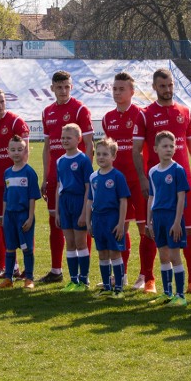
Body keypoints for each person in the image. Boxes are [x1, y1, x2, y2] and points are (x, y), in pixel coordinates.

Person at [137, 67, 191, 295]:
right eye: (162, 86)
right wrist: (142, 178)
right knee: (151, 230)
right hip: (157, 185)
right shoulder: (145, 113)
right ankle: (149, 279)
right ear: (154, 87)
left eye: (170, 85)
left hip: (183, 181)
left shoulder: (184, 111)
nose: (167, 90)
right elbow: (136, 150)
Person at [103, 72, 156, 293]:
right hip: (116, 183)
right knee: (120, 227)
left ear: (132, 92)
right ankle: (120, 274)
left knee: (145, 228)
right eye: (114, 89)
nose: (117, 92)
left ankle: (146, 276)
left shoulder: (142, 115)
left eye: (121, 89)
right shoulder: (108, 118)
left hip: (139, 181)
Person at [40, 70, 94, 284]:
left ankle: (83, 275)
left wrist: (86, 174)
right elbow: (46, 148)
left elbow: (89, 144)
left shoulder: (80, 109)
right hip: (57, 174)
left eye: (66, 87)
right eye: (58, 87)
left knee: (82, 222)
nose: (62, 91)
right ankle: (56, 270)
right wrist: (45, 177)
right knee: (56, 221)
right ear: (52, 88)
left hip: (77, 176)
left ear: (71, 87)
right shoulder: (47, 112)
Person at [0, 87, 31, 278]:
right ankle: (12, 266)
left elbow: (25, 152)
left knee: (23, 222)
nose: (0, 105)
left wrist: (21, 177)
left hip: (17, 181)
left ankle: (29, 267)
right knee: (3, 224)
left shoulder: (16, 121)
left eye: (2, 101)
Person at [146, 131, 190, 307]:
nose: (169, 149)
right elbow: (151, 197)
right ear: (156, 149)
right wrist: (149, 220)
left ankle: (180, 296)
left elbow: (181, 198)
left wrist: (177, 222)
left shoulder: (178, 170)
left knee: (174, 255)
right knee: (163, 255)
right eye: (165, 146)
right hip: (158, 217)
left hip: (172, 216)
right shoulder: (153, 172)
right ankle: (167, 293)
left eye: (172, 146)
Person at [0, 136, 42, 290]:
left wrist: (30, 217)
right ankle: (8, 278)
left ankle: (29, 278)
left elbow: (32, 197)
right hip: (9, 216)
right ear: (8, 152)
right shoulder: (7, 172)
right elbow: (5, 197)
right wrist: (3, 216)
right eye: (13, 150)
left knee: (27, 248)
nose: (16, 153)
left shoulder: (29, 172)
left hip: (23, 216)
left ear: (25, 151)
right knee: (9, 247)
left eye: (19, 150)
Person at [86, 138, 131, 299]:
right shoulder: (93, 177)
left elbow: (123, 200)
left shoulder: (117, 176)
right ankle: (106, 287)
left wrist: (121, 223)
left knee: (115, 253)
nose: (101, 157)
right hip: (97, 220)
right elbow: (90, 200)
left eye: (105, 154)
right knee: (102, 254)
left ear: (113, 156)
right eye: (98, 154)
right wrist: (88, 221)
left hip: (112, 219)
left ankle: (118, 289)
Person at [55, 124, 94, 291]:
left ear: (78, 139)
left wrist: (85, 212)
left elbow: (88, 188)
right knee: (69, 243)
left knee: (80, 242)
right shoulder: (60, 161)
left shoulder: (83, 160)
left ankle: (84, 280)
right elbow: (59, 186)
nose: (64, 140)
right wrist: (57, 211)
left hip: (79, 202)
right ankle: (73, 280)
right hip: (65, 203)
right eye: (63, 138)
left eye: (68, 138)